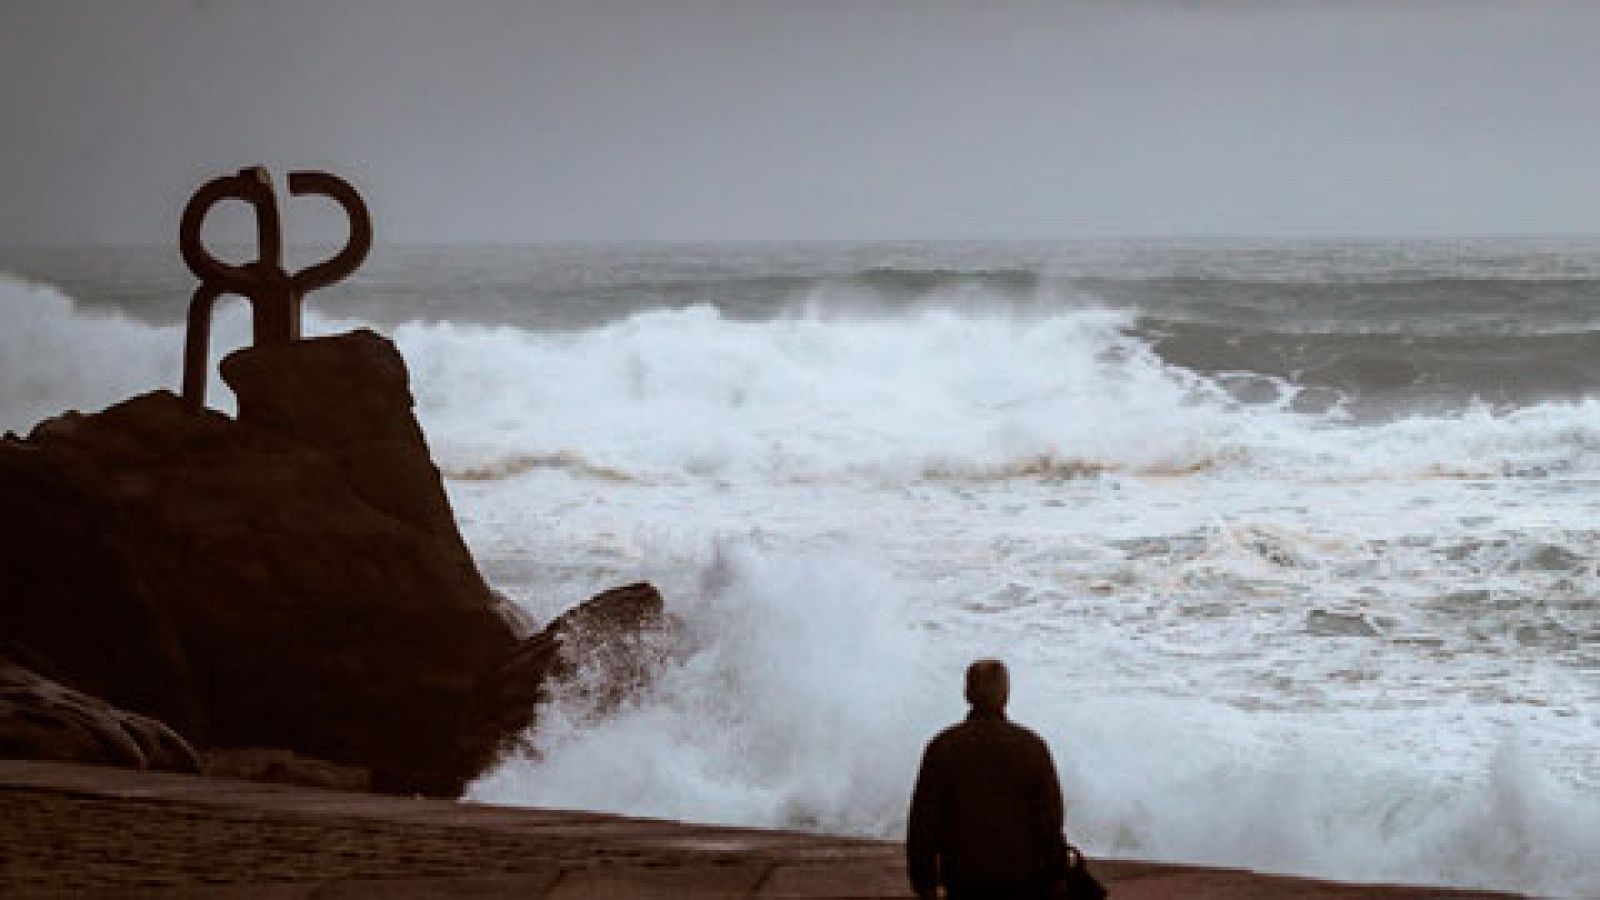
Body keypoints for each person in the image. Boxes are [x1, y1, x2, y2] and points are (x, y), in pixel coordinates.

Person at [906, 659, 1070, 899]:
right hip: (1022, 879)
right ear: (1006, 693)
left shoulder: (942, 746)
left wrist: (925, 882)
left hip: (963, 878)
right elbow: (1049, 822)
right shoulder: (1032, 747)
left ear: (967, 693)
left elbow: (923, 824)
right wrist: (1058, 874)